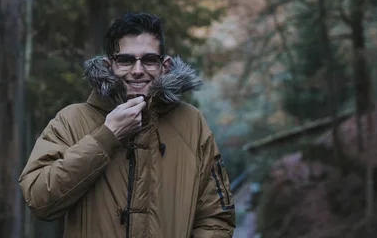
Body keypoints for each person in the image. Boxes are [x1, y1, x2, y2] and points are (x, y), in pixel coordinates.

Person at [19, 12, 235, 238]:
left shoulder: (192, 123)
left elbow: (217, 217)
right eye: (126, 60)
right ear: (109, 64)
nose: (138, 70)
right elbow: (39, 199)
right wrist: (106, 137)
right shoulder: (72, 120)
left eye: (150, 60)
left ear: (165, 65)